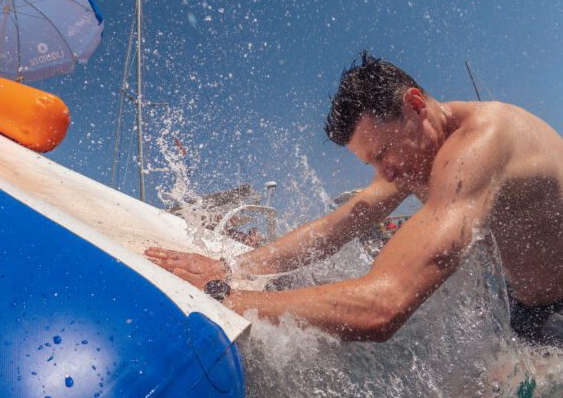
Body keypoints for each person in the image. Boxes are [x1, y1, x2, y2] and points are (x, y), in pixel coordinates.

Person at [146, 54, 563, 345]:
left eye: (383, 154)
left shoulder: (478, 146)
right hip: (522, 307)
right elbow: (336, 227)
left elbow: (382, 307)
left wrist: (222, 297)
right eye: (372, 164)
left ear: (415, 105)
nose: (387, 175)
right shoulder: (417, 153)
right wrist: (229, 268)